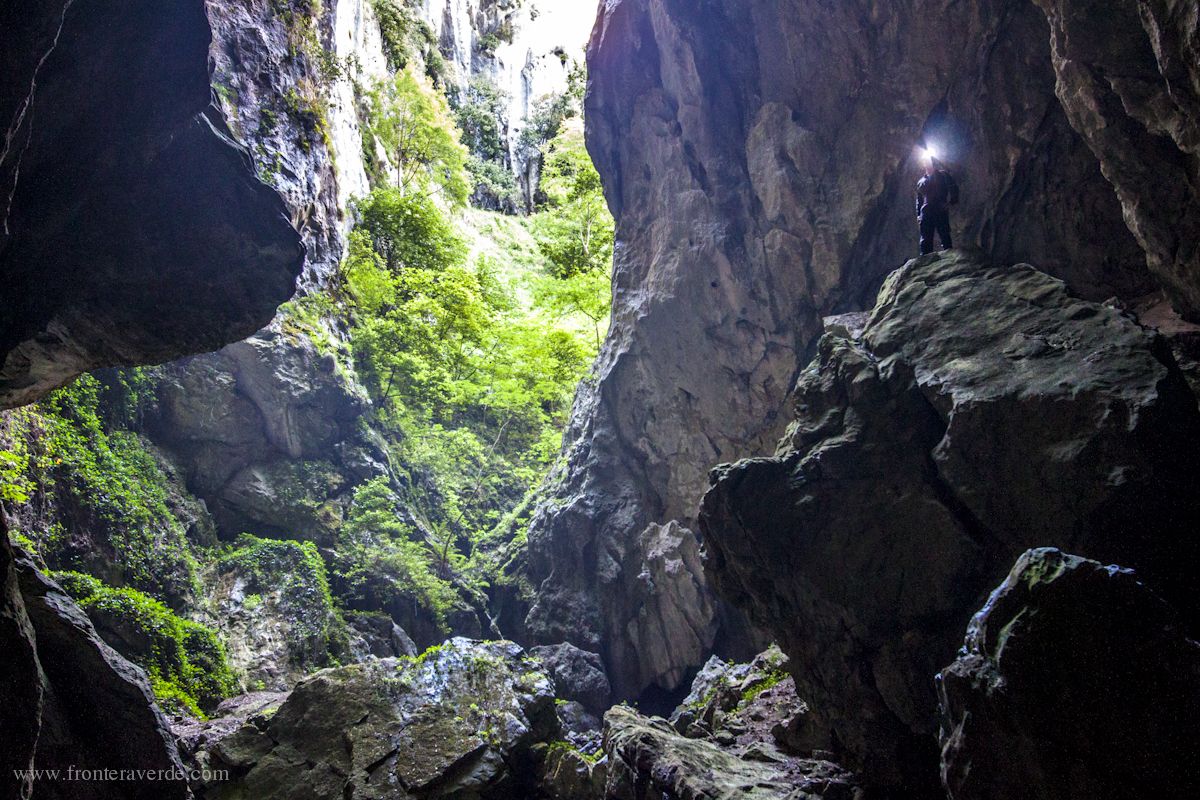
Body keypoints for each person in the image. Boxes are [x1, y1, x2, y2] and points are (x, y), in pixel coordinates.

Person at [915, 156, 959, 255]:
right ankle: (925, 261)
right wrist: (919, 215)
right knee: (926, 238)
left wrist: (952, 202)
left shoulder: (943, 175)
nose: (927, 163)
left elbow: (953, 187)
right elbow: (919, 199)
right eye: (925, 161)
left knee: (944, 234)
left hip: (940, 208)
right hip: (926, 212)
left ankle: (949, 256)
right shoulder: (921, 181)